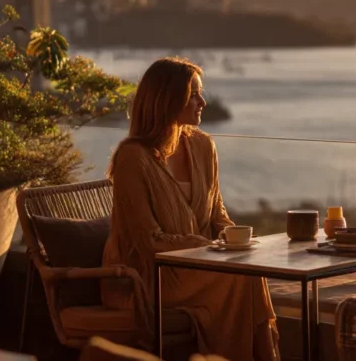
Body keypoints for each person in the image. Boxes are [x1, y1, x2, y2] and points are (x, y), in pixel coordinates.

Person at [101, 57, 279, 361]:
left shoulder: (202, 146)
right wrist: (209, 250)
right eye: (193, 94)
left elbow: (216, 215)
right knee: (241, 278)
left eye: (201, 92)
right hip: (148, 277)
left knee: (249, 271)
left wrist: (237, 241)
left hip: (197, 266)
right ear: (167, 100)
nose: (203, 102)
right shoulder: (132, 159)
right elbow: (148, 241)